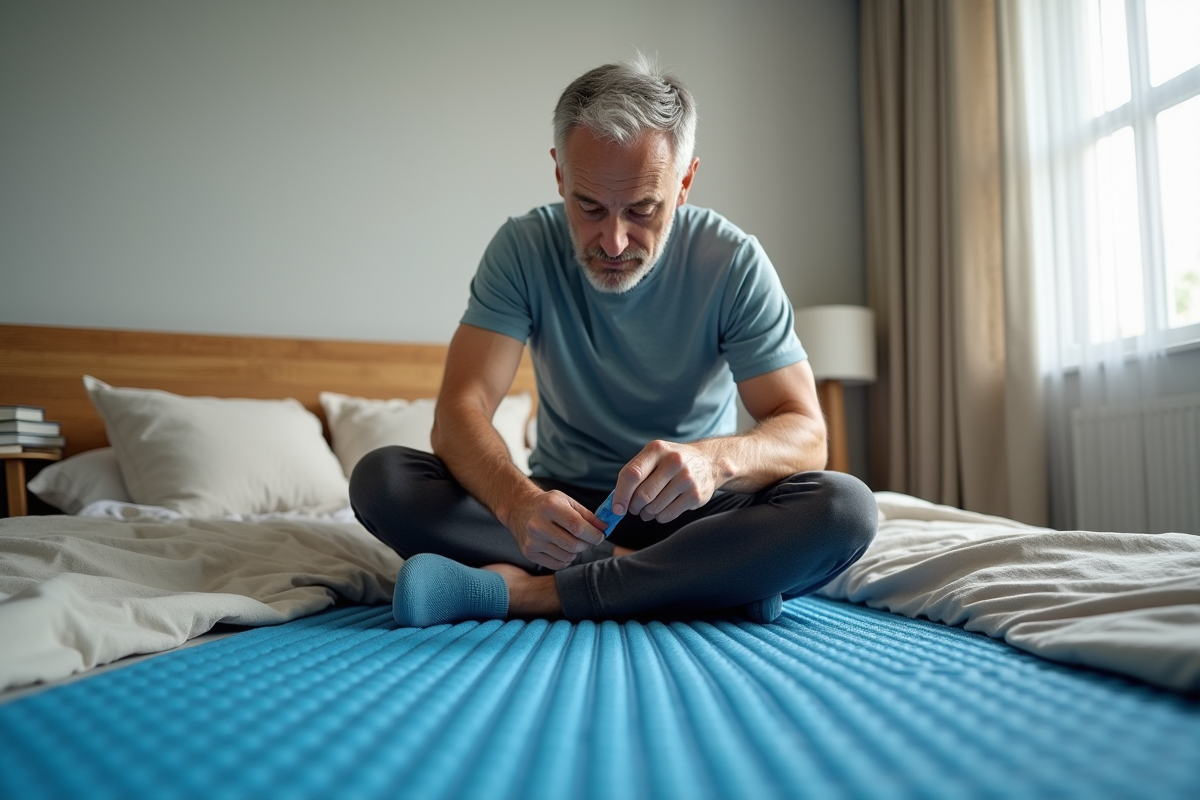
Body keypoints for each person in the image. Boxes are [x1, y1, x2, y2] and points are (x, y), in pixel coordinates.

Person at [350, 55, 877, 627]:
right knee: (384, 480)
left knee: (844, 509)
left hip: (692, 506)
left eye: (643, 209)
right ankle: (703, 580)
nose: (615, 239)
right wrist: (517, 503)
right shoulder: (522, 249)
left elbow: (805, 432)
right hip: (559, 506)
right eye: (589, 206)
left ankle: (531, 594)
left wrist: (714, 461)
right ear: (559, 175)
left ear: (685, 181)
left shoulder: (733, 262)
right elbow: (461, 408)